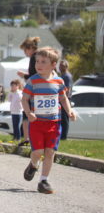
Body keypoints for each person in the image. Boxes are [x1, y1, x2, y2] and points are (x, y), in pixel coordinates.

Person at [21, 47, 75, 194]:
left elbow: (63, 98)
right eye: (37, 61)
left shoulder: (58, 81)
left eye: (43, 62)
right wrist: (28, 113)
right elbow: (24, 99)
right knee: (38, 152)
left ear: (53, 65)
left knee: (50, 152)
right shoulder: (33, 81)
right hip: (37, 123)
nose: (39, 64)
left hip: (54, 123)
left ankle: (43, 181)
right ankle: (33, 164)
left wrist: (69, 111)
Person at [17, 36, 40, 146]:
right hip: (39, 88)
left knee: (27, 113)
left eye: (25, 50)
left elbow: (33, 75)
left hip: (34, 89)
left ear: (30, 48)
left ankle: (27, 138)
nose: (25, 53)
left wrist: (24, 75)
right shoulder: (40, 56)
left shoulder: (34, 57)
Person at [58, 59, 73, 140]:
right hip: (60, 99)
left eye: (62, 66)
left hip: (64, 99)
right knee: (61, 118)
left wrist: (64, 99)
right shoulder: (62, 75)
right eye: (60, 65)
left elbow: (67, 89)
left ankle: (64, 137)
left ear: (66, 67)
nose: (60, 67)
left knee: (64, 119)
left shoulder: (67, 76)